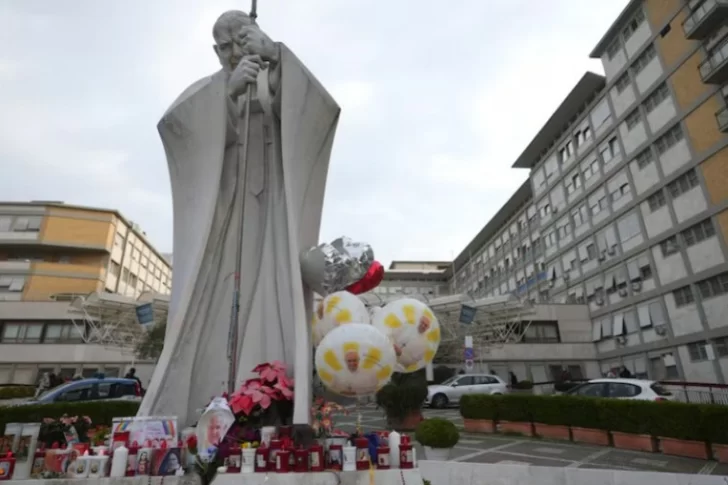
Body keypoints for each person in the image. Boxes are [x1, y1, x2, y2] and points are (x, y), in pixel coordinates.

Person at [139, 9, 340, 428]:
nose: (233, 53)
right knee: (215, 297)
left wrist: (276, 57)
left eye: (241, 41)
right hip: (224, 216)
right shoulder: (210, 89)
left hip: (274, 214)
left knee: (275, 291)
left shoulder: (277, 77)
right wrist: (225, 97)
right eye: (224, 47)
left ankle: (272, 397)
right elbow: (175, 127)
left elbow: (320, 110)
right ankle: (205, 400)